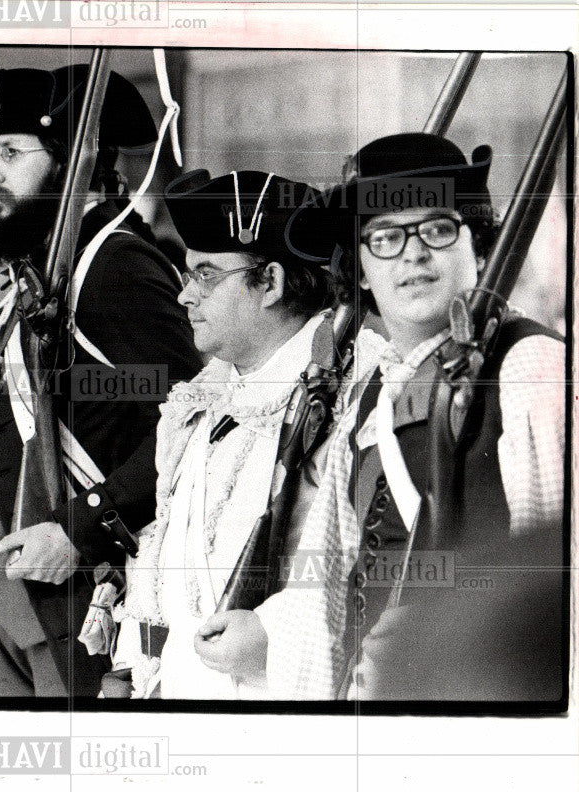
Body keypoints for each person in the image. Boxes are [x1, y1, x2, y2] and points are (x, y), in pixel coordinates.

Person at [202, 133, 565, 700]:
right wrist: (270, 634)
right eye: (386, 238)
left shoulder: (529, 363)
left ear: (479, 247)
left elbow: (556, 578)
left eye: (438, 230)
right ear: (363, 271)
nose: (414, 254)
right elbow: (332, 578)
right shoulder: (374, 392)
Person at [0, 65, 202, 697]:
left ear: (77, 161)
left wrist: (80, 530)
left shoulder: (117, 266)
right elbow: (3, 435)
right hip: (7, 596)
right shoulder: (46, 269)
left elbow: (191, 422)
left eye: (12, 153)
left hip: (83, 601)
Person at [113, 169, 342, 698]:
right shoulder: (201, 398)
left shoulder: (349, 394)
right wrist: (134, 669)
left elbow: (362, 562)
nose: (185, 297)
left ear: (272, 283)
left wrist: (274, 633)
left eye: (207, 276)